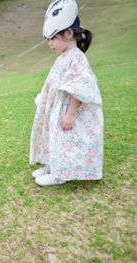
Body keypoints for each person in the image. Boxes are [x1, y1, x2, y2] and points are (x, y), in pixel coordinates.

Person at [29, 0, 104, 186]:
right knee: (54, 137)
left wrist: (70, 114)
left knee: (66, 139)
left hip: (69, 111)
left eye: (53, 38)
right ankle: (53, 164)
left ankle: (61, 174)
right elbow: (55, 82)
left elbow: (79, 86)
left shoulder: (77, 58)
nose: (50, 44)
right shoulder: (63, 57)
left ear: (69, 33)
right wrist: (45, 99)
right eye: (48, 39)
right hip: (57, 108)